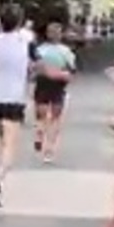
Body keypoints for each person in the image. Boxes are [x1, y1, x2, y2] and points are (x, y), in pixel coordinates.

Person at [0, 3, 38, 209]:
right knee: (9, 145)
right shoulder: (27, 41)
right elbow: (35, 66)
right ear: (20, 22)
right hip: (14, 97)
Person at [33, 19, 76, 163]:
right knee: (55, 119)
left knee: (42, 115)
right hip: (57, 84)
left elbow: (34, 69)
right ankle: (49, 150)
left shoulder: (40, 50)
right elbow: (71, 70)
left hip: (43, 84)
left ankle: (40, 133)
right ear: (61, 35)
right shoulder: (66, 51)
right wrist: (65, 75)